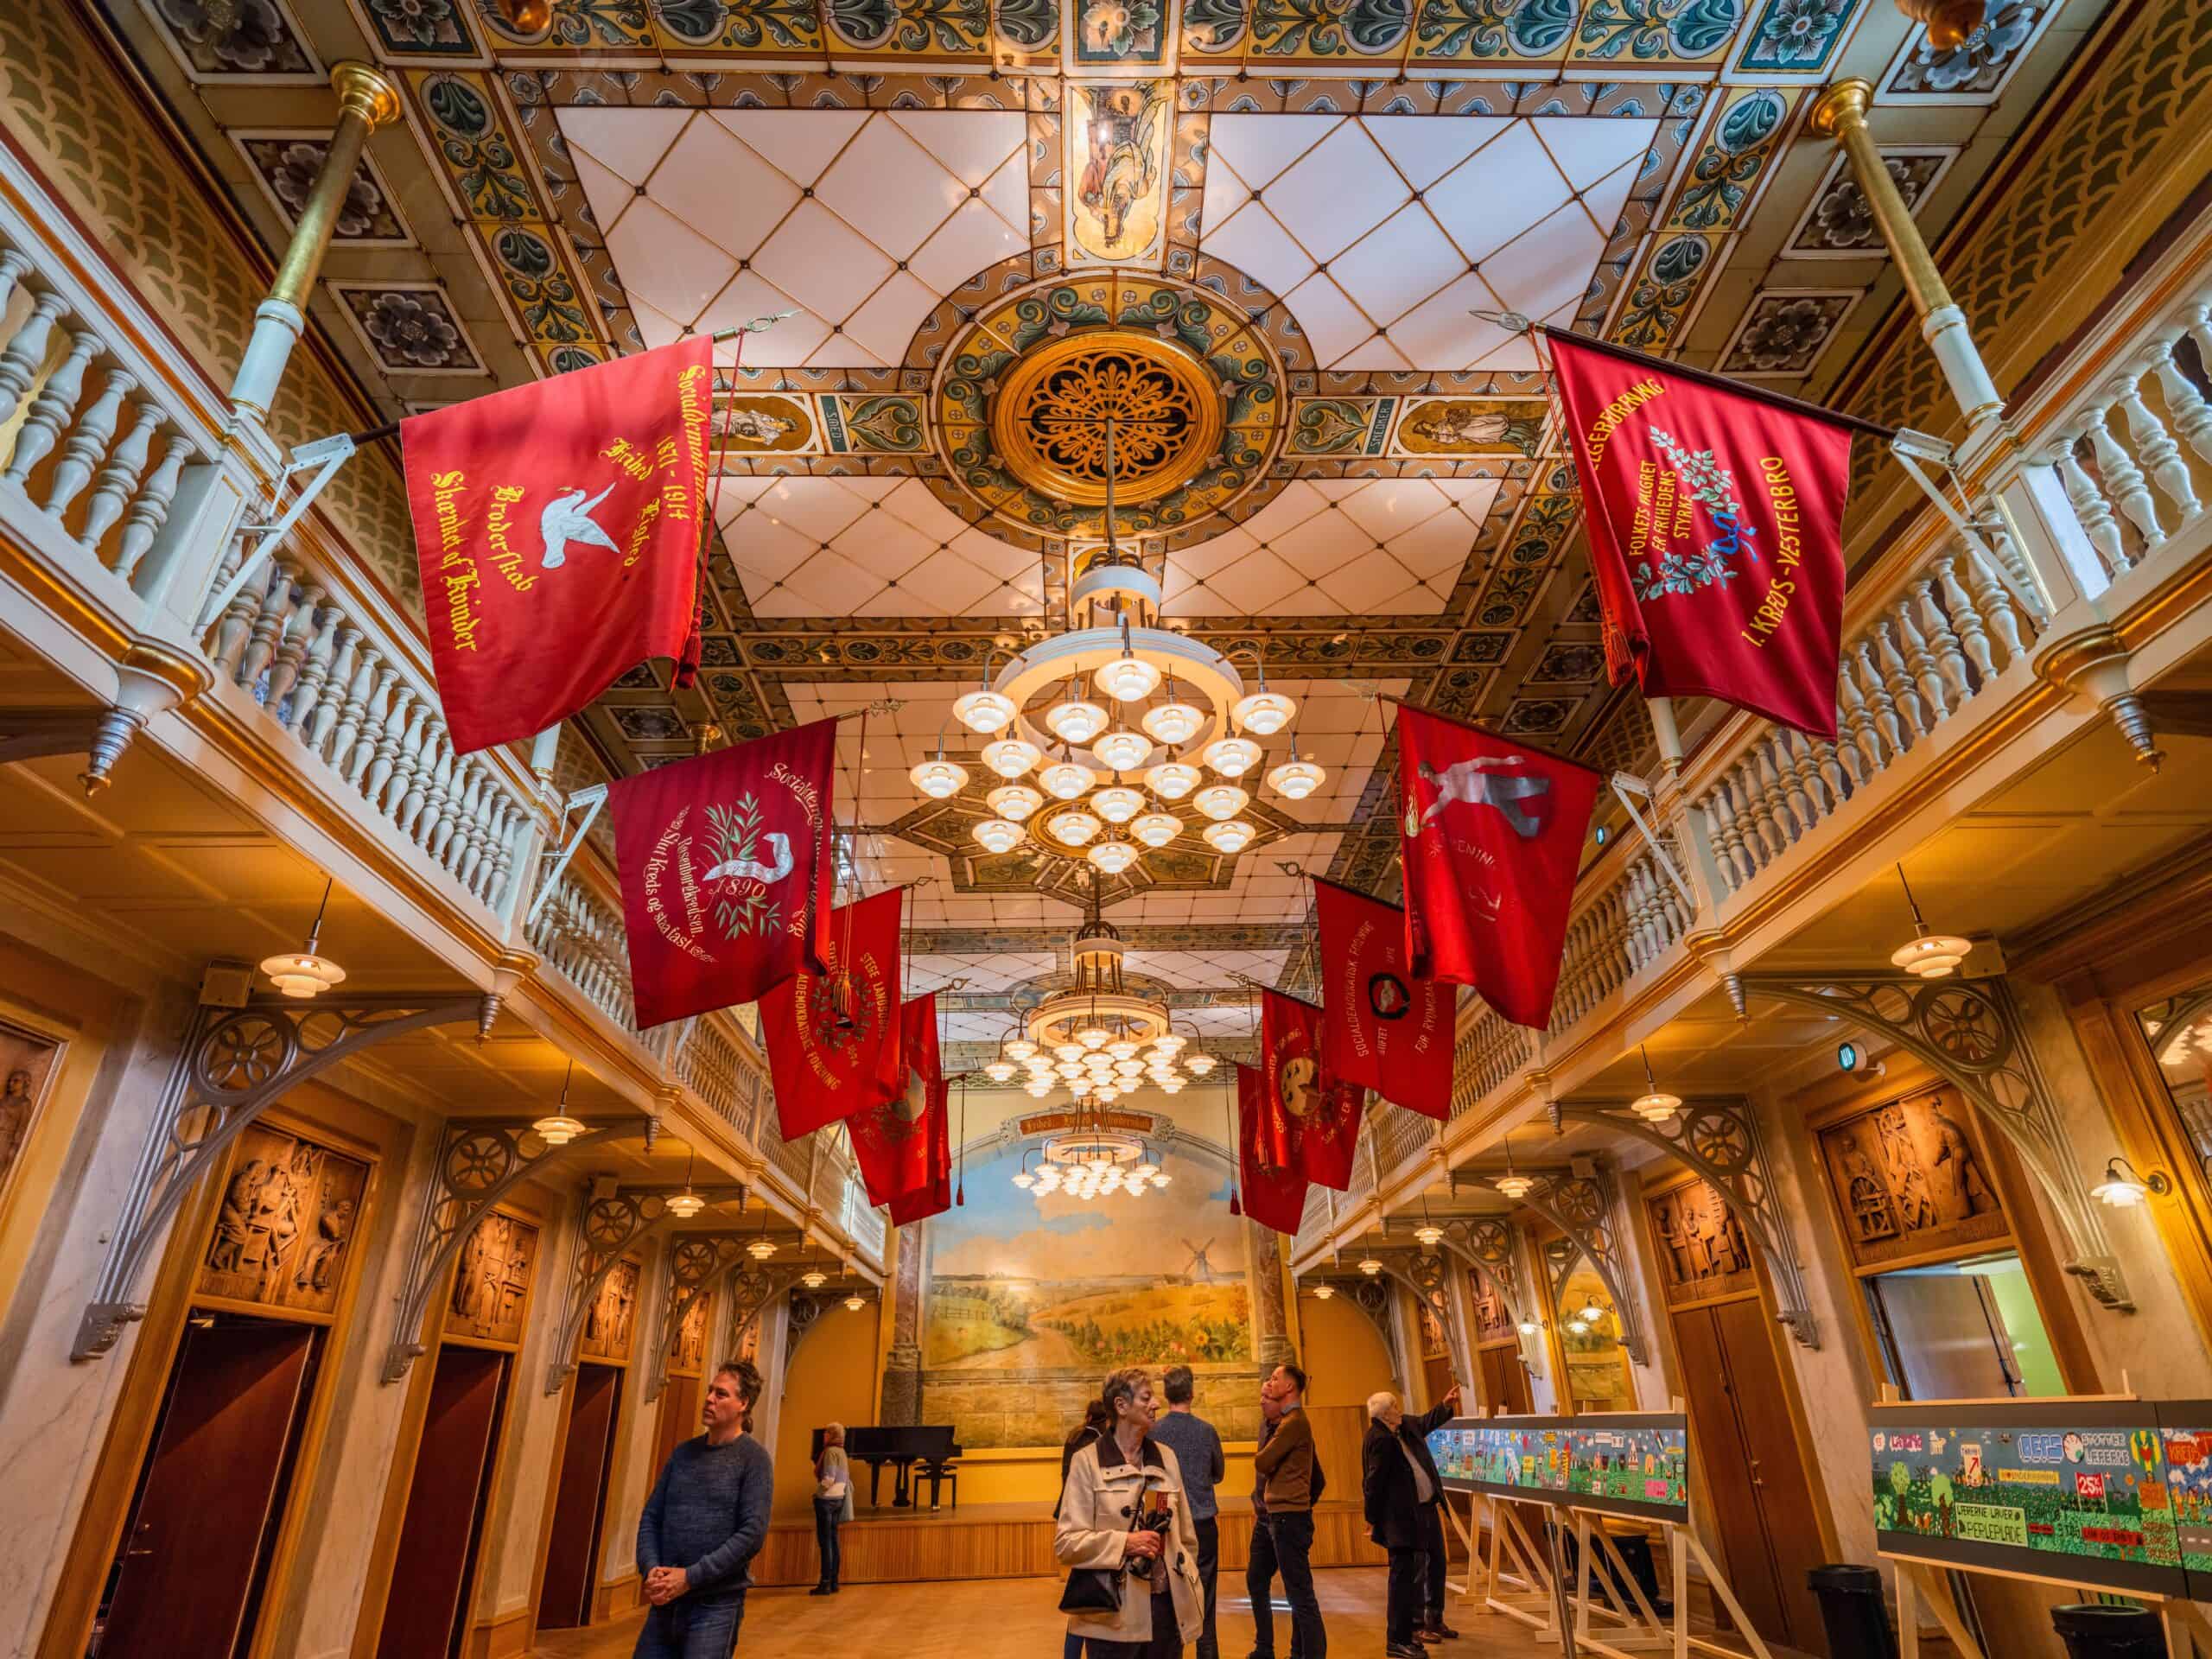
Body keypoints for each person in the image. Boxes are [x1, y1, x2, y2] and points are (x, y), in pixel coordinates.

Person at [1057, 1368, 1205, 1659]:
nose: (1157, 1404)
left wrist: (1187, 1582)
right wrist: (1126, 1543)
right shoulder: (1086, 1462)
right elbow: (1067, 1544)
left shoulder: (1167, 1458)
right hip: (1113, 1619)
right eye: (1147, 1398)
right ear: (1121, 1406)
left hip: (1167, 1614)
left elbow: (1187, 1538)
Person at [634, 1359, 773, 1658]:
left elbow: (751, 1535)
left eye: (721, 1394)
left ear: (743, 1404)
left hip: (715, 1606)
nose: (709, 1399)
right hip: (665, 1599)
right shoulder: (683, 1453)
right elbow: (651, 1517)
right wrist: (651, 1569)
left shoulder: (754, 1460)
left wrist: (690, 1577)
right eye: (710, 1391)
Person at [1362, 1386, 1460, 1656]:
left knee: (1433, 1563)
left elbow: (1425, 1421)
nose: (1399, 1410)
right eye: (1394, 1406)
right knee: (1405, 1578)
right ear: (1384, 1415)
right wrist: (1372, 1519)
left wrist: (1444, 1404)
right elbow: (1373, 1483)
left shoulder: (1401, 1430)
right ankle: (1401, 1637)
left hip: (1421, 1512)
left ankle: (1420, 1627)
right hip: (1401, 1520)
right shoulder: (1382, 1439)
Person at [1150, 1366, 1227, 1659]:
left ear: (1166, 1394)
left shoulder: (1155, 1432)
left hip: (1169, 1527)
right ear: (1191, 1393)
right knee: (1205, 1597)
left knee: (1172, 1598)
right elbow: (1218, 1473)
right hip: (1203, 1522)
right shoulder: (1206, 1431)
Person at [1249, 1363, 1325, 1659]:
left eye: (1274, 1382)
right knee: (1263, 1581)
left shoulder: (1292, 1423)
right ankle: (1268, 1648)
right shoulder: (1279, 1426)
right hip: (1272, 1515)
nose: (1267, 1390)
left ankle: (1303, 1653)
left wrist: (1298, 1504)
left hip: (1287, 1517)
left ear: (1287, 1390)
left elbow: (1264, 1462)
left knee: (1300, 1596)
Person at [811, 1421, 853, 1596]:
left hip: (827, 1500)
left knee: (825, 1542)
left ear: (832, 1435)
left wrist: (817, 1494)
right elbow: (843, 1478)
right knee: (834, 1541)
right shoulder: (842, 1452)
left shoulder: (830, 1452)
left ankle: (825, 1583)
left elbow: (829, 1477)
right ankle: (834, 1581)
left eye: (827, 1433)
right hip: (839, 1499)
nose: (824, 1435)